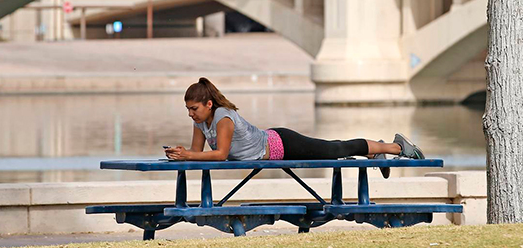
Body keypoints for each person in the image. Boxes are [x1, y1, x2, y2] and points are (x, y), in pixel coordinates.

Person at [165, 78, 425, 178]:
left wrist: (188, 155)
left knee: (335, 149)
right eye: (188, 109)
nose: (190, 114)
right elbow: (197, 153)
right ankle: (373, 153)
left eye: (194, 109)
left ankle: (396, 146)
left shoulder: (223, 117)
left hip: (281, 145)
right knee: (333, 149)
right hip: (272, 148)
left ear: (209, 104)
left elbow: (220, 154)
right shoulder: (201, 121)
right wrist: (181, 153)